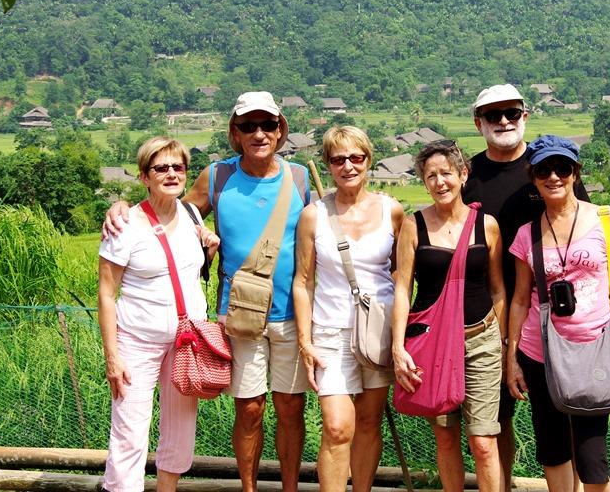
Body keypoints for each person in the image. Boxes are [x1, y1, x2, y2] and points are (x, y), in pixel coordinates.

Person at [103, 92, 311, 492]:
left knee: (291, 407)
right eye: (248, 126)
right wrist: (121, 205)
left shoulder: (300, 178)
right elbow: (168, 209)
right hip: (239, 315)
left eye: (268, 124)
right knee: (249, 408)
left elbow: (323, 230)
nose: (259, 133)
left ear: (280, 130)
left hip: (290, 313)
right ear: (235, 133)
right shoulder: (217, 177)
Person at [462, 84, 590, 492]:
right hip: (487, 316)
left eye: (511, 113)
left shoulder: (550, 167)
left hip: (559, 320)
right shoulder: (468, 177)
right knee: (495, 419)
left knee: (566, 414)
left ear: (525, 117)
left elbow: (589, 232)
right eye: (493, 115)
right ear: (478, 123)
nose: (503, 121)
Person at [506, 135, 610, 492]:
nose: (554, 177)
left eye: (562, 168)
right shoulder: (526, 234)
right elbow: (520, 300)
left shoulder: (604, 218)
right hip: (540, 354)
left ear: (575, 173)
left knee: (591, 455)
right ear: (533, 178)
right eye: (544, 170)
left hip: (594, 348)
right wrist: (512, 358)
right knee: (552, 447)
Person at [98, 136, 221, 492]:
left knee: (181, 430)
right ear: (144, 177)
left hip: (187, 341)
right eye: (161, 168)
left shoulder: (192, 215)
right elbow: (106, 293)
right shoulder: (124, 225)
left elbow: (188, 272)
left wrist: (210, 250)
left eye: (178, 167)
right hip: (137, 342)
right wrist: (112, 356)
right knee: (129, 431)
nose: (171, 174)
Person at [292, 126, 405, 492]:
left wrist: (398, 334)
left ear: (368, 160)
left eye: (356, 157)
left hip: (378, 332)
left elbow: (401, 275)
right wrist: (305, 341)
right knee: (338, 427)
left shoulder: (392, 211)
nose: (348, 166)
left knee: (370, 423)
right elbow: (303, 282)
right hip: (330, 331)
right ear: (328, 164)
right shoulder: (313, 215)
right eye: (338, 159)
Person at [392, 140, 508, 492]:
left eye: (446, 173)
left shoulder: (486, 225)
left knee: (483, 441)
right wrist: (398, 347)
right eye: (431, 176)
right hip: (434, 345)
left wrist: (502, 343)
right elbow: (402, 289)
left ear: (463, 175)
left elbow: (498, 289)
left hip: (481, 340)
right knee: (445, 437)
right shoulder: (413, 225)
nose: (439, 182)